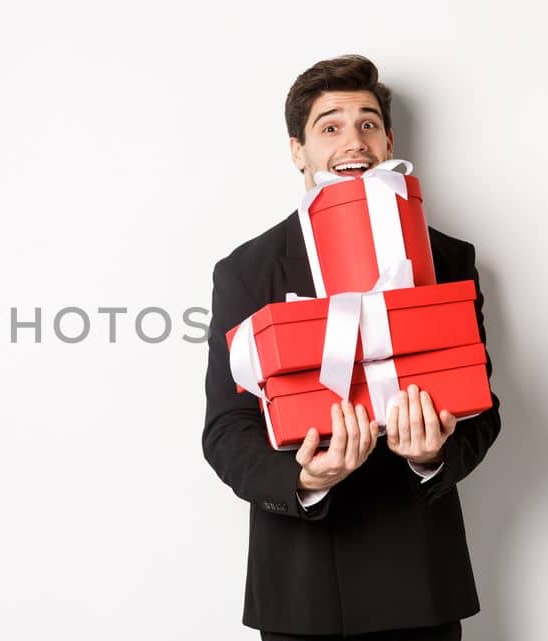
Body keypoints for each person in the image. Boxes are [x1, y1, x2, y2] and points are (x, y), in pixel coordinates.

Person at [202, 55, 503, 640]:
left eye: (368, 124)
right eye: (330, 126)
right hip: (302, 588)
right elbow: (226, 429)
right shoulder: (247, 270)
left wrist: (429, 458)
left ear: (389, 141)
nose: (353, 141)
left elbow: (482, 412)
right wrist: (306, 478)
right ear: (299, 151)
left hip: (420, 580)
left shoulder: (448, 259)